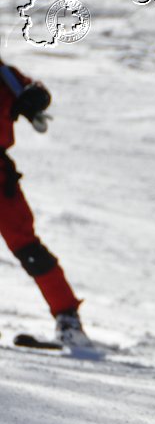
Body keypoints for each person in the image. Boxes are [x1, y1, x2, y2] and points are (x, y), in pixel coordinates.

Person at [0, 57, 87, 347]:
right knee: (28, 247)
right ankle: (67, 318)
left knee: (27, 247)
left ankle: (68, 319)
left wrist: (33, 99)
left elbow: (33, 91)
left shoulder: (4, 75)